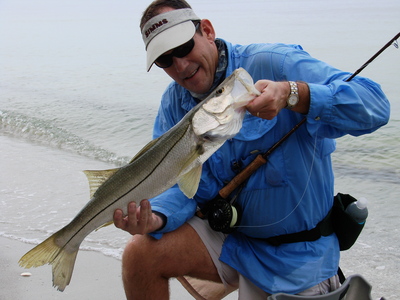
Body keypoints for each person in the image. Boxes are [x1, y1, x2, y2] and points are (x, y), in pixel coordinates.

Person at [113, 0, 390, 299]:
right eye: (166, 60)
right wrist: (157, 217)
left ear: (206, 30)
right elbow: (178, 184)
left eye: (182, 47)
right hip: (234, 240)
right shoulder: (174, 103)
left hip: (297, 255)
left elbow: (375, 105)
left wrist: (293, 94)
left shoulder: (276, 62)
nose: (180, 65)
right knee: (139, 255)